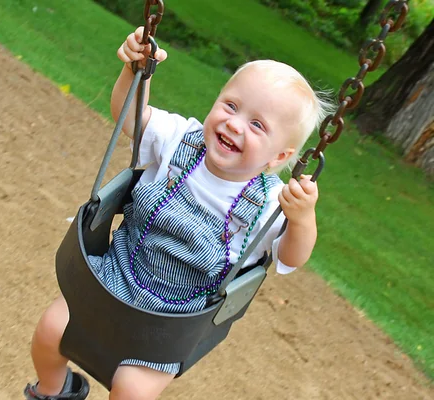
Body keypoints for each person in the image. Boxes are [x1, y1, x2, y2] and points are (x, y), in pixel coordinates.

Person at [24, 26, 334, 400]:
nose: (235, 124)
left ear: (280, 157)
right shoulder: (180, 139)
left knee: (131, 391)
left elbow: (290, 257)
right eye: (231, 106)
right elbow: (129, 118)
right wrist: (135, 71)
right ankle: (55, 392)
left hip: (169, 324)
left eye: (257, 125)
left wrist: (302, 218)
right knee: (49, 331)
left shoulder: (270, 205)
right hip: (115, 274)